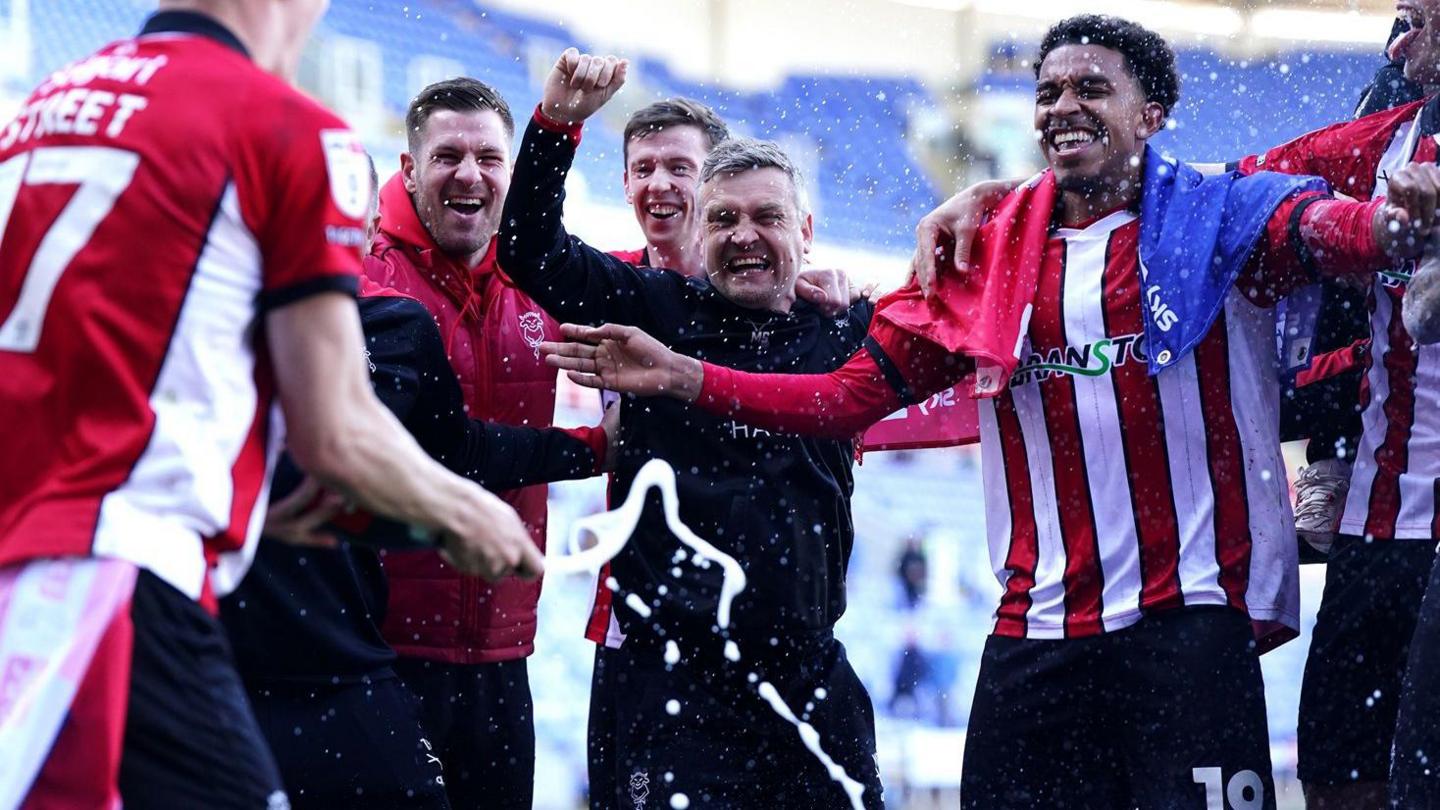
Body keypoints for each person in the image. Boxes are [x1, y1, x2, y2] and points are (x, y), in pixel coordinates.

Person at [540, 16, 1439, 808]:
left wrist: (1399, 231)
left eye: (1093, 87)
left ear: (1152, 114)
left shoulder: (1224, 217)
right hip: (1033, 637)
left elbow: (1331, 231)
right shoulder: (984, 255)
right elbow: (847, 398)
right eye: (1047, 91)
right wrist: (684, 376)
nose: (1062, 106)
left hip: (1186, 622)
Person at [0, 1, 539, 807]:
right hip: (120, 578)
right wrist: (468, 516)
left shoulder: (42, 109)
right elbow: (339, 437)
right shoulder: (287, 126)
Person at [499, 49, 885, 809]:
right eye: (726, 219)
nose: (745, 235)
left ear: (806, 229)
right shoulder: (651, 306)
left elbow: (965, 322)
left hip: (808, 677)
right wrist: (555, 127)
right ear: (700, 235)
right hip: (673, 682)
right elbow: (529, 251)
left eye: (767, 218)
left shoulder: (845, 326)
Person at [218, 164, 611, 810]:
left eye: (343, 214)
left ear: (371, 224)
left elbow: (457, 449)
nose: (322, 229)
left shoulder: (396, 327)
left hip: (342, 663)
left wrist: (589, 448)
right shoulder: (202, 322)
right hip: (215, 658)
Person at [360, 76, 558, 810]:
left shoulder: (548, 275)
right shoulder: (358, 274)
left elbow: (672, 279)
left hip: (503, 654)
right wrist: (584, 448)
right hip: (378, 653)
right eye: (448, 156)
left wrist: (821, 283)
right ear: (409, 170)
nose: (469, 174)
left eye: (489, 158)